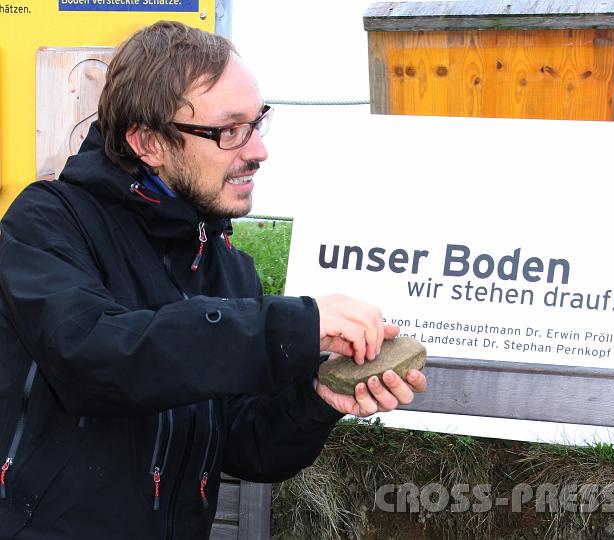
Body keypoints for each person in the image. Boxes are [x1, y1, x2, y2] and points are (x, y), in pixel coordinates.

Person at [0, 21, 427, 539]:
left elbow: (247, 446)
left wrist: (317, 399)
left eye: (257, 123)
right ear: (149, 143)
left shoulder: (224, 264)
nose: (257, 151)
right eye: (229, 130)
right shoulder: (45, 223)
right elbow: (98, 356)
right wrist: (289, 326)